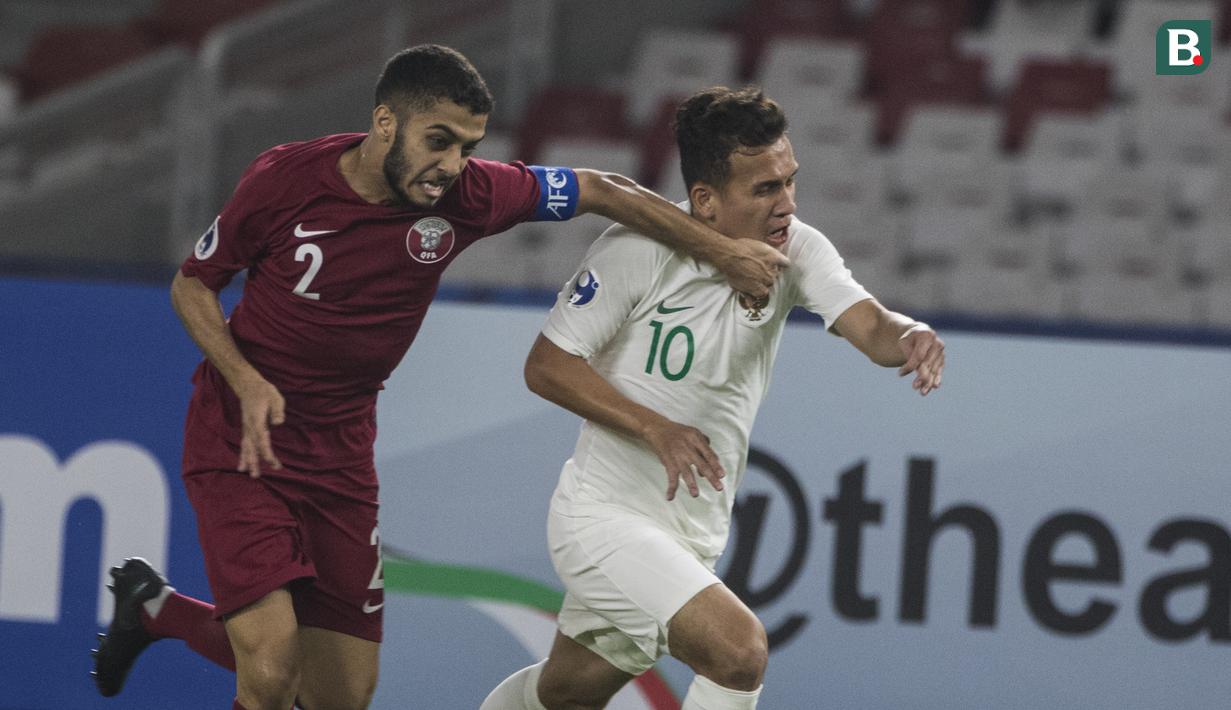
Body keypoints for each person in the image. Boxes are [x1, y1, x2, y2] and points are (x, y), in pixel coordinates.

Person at [89, 46, 789, 710]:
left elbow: (600, 189)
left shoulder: (470, 196)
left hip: (340, 455)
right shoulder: (283, 180)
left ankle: (159, 611)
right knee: (270, 669)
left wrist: (718, 250)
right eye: (439, 140)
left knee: (341, 695)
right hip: (245, 440)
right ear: (385, 123)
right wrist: (243, 379)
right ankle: (167, 612)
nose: (452, 164)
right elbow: (193, 285)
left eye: (468, 147)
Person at [479, 86, 945, 710]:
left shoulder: (797, 249)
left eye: (789, 181)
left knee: (565, 693)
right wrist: (655, 427)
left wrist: (910, 334)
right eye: (765, 189)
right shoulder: (635, 251)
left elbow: (872, 328)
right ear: (705, 199)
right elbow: (546, 366)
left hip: (691, 531)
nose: (787, 204)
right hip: (602, 518)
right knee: (738, 652)